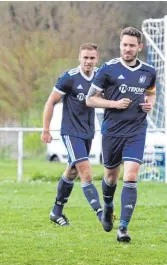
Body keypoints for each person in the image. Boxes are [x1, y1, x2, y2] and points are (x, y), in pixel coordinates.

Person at [86, 27, 156, 243]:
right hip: (112, 131)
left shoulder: (148, 72)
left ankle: (123, 228)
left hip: (136, 130)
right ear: (120, 45)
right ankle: (108, 206)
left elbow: (152, 92)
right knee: (110, 177)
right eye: (124, 45)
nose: (127, 49)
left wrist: (149, 104)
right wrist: (114, 104)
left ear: (139, 47)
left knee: (131, 175)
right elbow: (90, 99)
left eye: (132, 45)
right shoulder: (108, 69)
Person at [41, 43, 103, 226]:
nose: (88, 61)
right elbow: (50, 102)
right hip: (71, 132)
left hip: (88, 132)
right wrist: (46, 129)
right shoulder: (69, 78)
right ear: (79, 58)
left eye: (92, 58)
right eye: (85, 57)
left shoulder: (100, 76)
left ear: (97, 59)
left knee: (72, 171)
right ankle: (102, 214)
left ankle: (56, 212)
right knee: (86, 172)